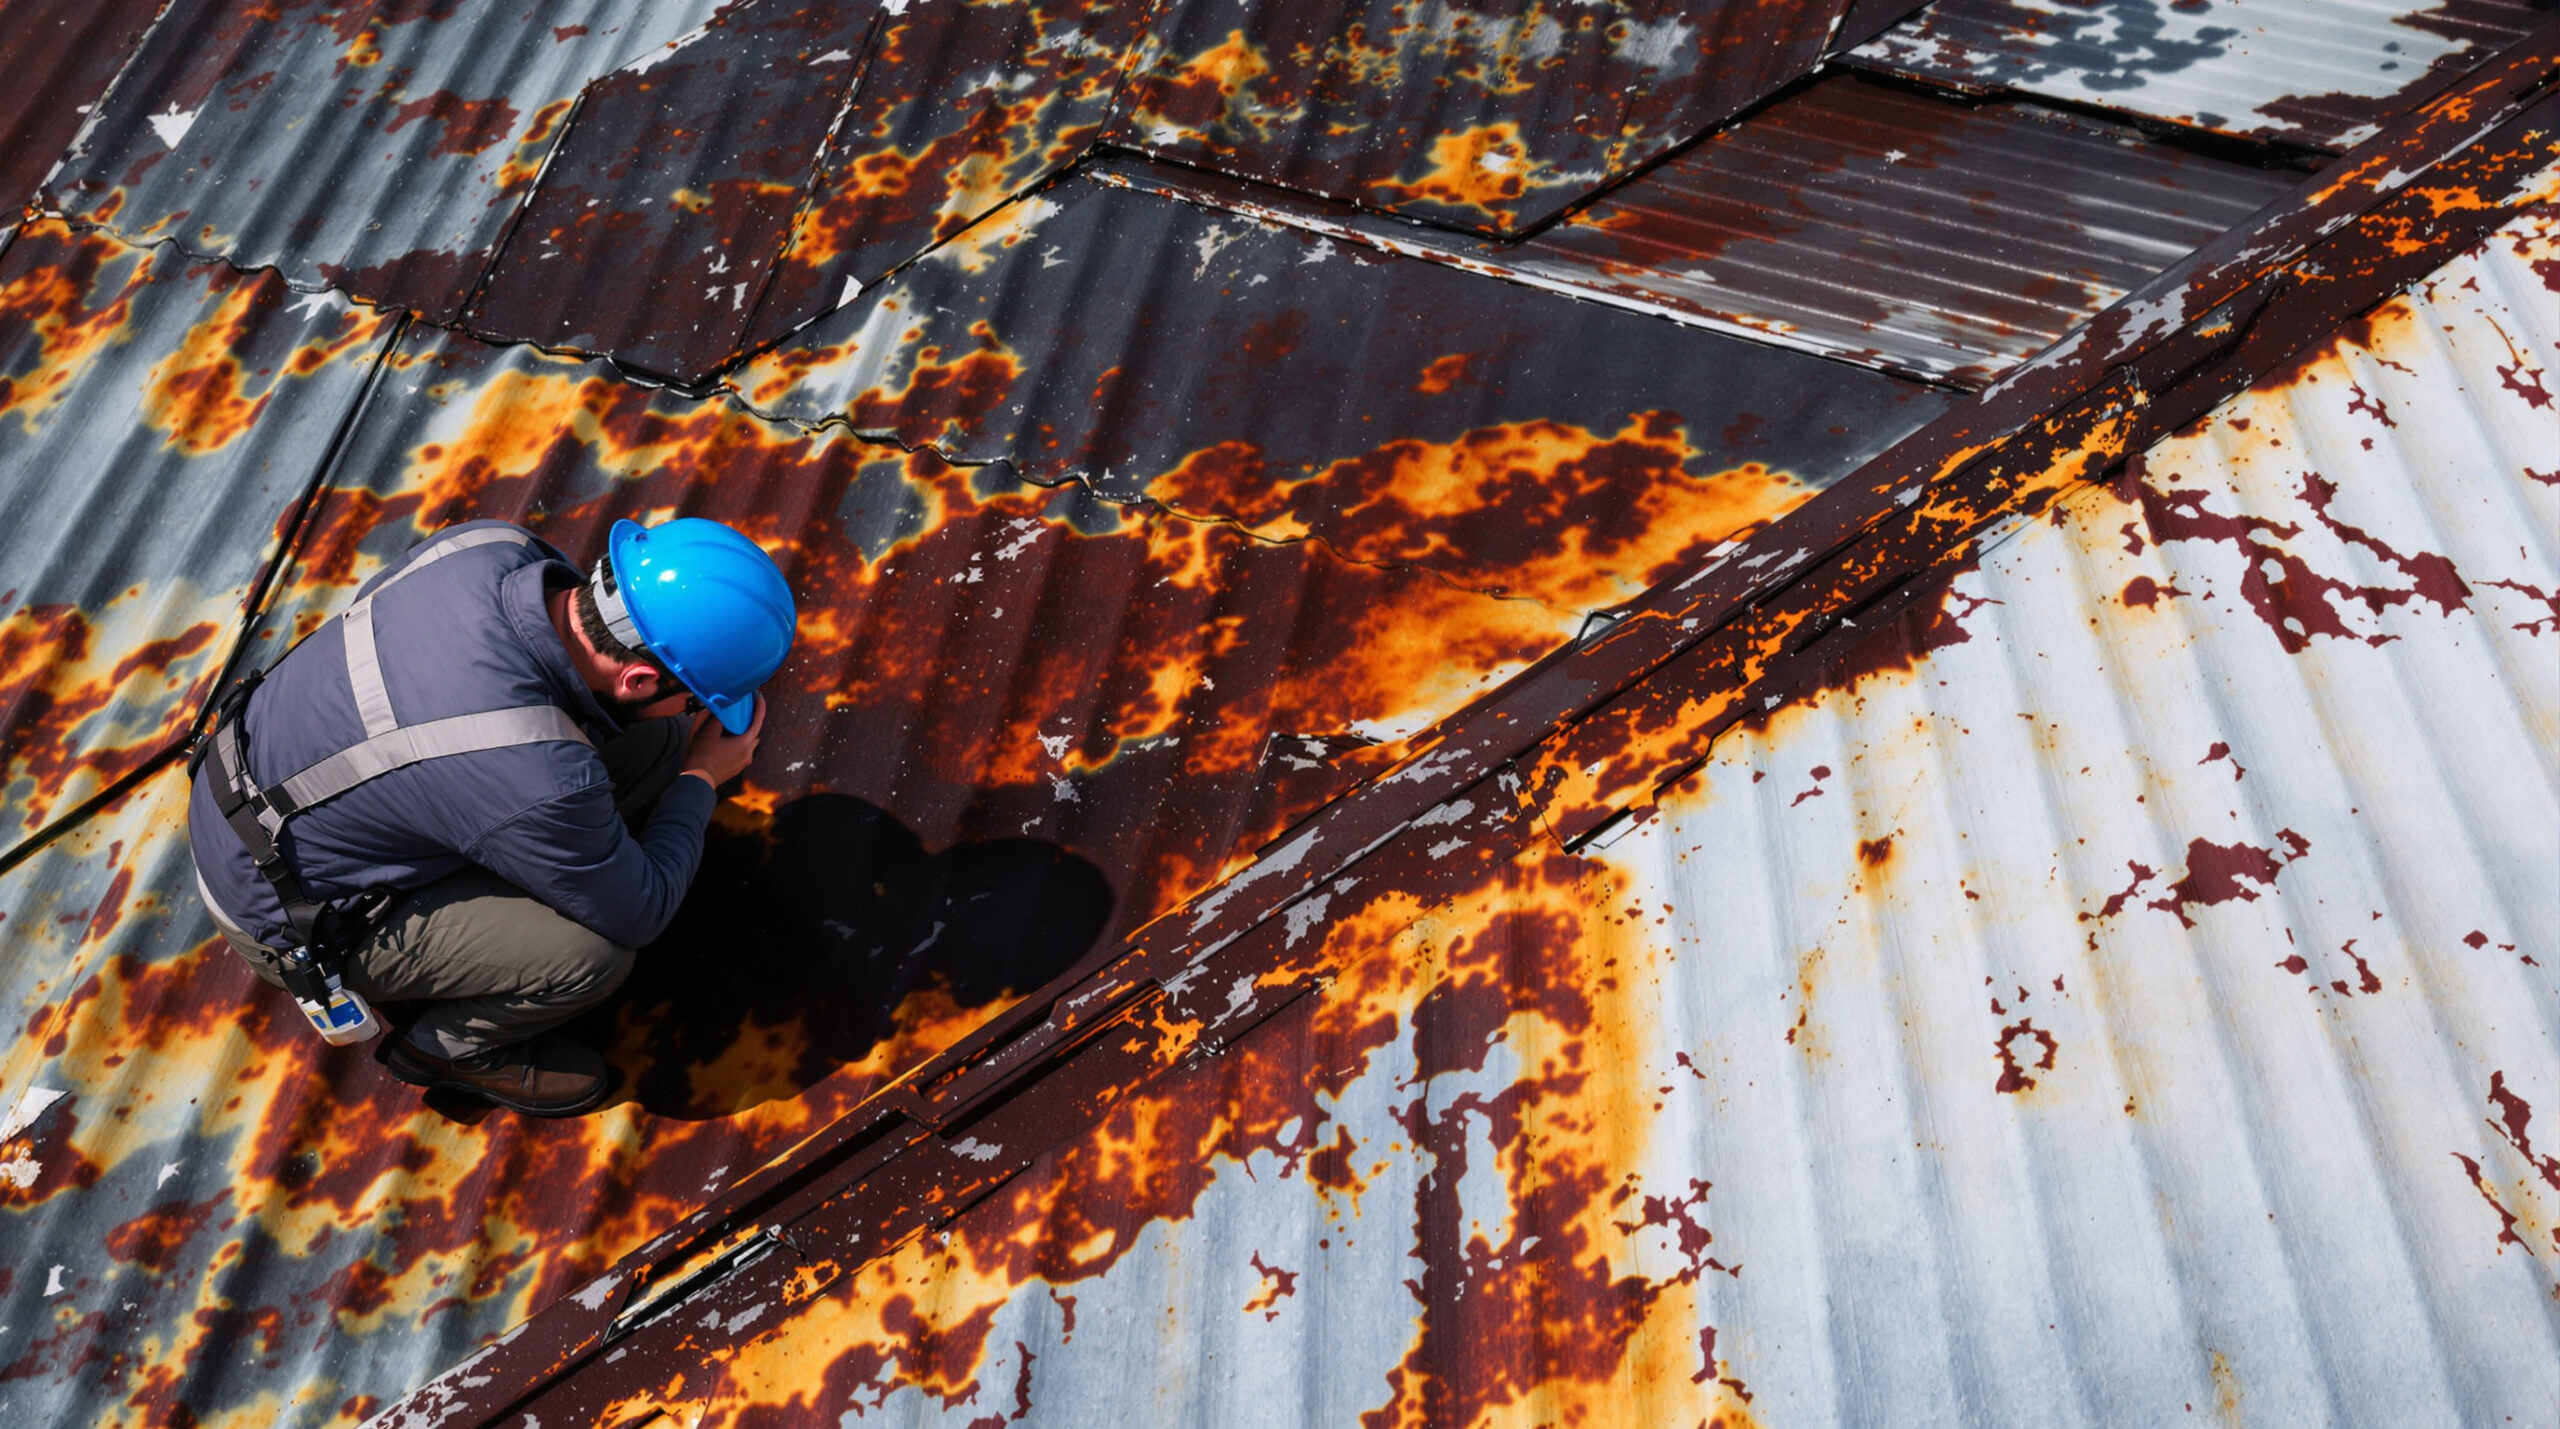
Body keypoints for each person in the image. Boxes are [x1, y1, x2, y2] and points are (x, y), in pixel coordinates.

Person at [186, 516, 797, 1115]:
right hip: (285, 909)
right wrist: (703, 778)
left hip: (250, 778)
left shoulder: (493, 543)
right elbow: (641, 911)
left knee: (657, 744)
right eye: (693, 697)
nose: (694, 710)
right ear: (639, 678)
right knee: (590, 956)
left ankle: (555, 855)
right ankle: (449, 1049)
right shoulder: (535, 769)